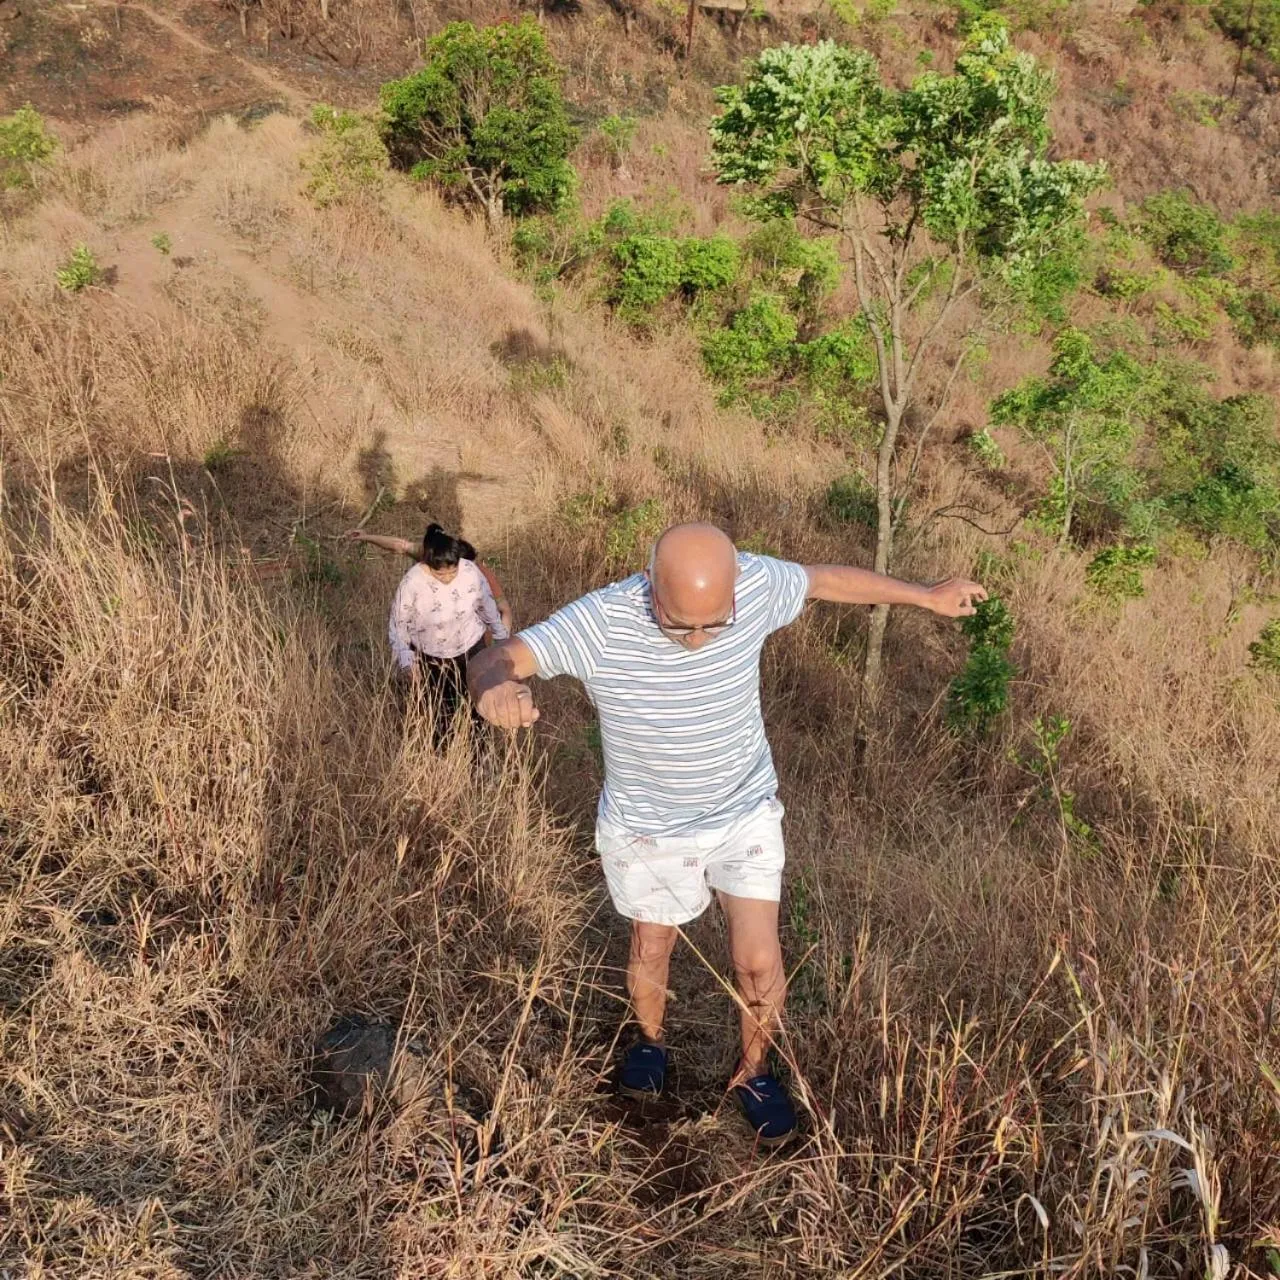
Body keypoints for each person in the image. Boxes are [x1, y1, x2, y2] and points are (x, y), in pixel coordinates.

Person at [467, 523, 986, 1146]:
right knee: (652, 945)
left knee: (758, 957)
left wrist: (926, 595)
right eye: (677, 623)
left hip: (743, 811)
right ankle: (651, 1044)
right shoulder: (602, 619)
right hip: (648, 828)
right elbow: (501, 656)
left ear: (737, 589)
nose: (694, 640)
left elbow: (825, 581)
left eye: (713, 625)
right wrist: (494, 687)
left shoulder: (759, 582)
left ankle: (755, 1074)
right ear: (649, 588)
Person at [387, 523, 509, 746]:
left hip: (472, 646)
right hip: (431, 656)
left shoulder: (470, 571)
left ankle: (479, 750)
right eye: (440, 574)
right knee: (440, 708)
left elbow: (487, 607)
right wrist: (407, 661)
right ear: (428, 564)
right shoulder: (412, 583)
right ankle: (443, 751)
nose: (448, 578)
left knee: (477, 700)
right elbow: (398, 625)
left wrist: (501, 638)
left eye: (453, 571)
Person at [349, 525, 513, 636]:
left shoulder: (480, 575)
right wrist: (366, 537)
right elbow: (399, 545)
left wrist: (500, 647)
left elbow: (504, 610)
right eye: (441, 572)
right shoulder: (435, 559)